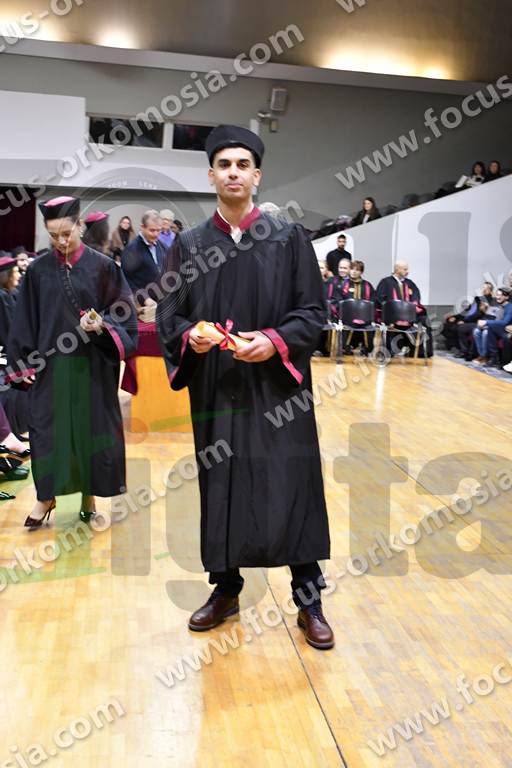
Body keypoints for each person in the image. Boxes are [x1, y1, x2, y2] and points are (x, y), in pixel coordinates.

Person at [157, 124, 333, 650]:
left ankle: (309, 598)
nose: (233, 173)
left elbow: (313, 312)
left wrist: (275, 341)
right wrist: (191, 335)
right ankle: (226, 588)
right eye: (224, 165)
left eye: (242, 165)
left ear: (256, 175)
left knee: (291, 482)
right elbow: (170, 315)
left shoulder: (288, 238)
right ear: (211, 175)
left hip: (278, 389)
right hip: (218, 386)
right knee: (222, 483)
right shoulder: (189, 245)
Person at [7, 196, 138, 528]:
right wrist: (23, 363)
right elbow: (24, 320)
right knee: (46, 432)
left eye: (67, 233)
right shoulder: (37, 271)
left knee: (89, 432)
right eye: (53, 235)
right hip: (51, 367)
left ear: (80, 226)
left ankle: (88, 497)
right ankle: (45, 497)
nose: (61, 241)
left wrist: (102, 324)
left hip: (92, 367)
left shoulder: (104, 267)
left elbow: (123, 312)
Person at [376, 261, 433, 357]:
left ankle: (422, 352)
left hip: (409, 317)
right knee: (386, 320)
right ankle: (390, 350)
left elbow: (416, 297)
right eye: (405, 269)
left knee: (424, 320)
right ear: (397, 269)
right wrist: (395, 310)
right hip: (392, 317)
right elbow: (381, 300)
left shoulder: (410, 283)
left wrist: (411, 308)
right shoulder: (385, 282)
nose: (407, 271)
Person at [0, 253, 29, 437]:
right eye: (16, 271)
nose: (19, 275)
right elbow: (8, 330)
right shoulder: (3, 297)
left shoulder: (8, 294)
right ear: (6, 275)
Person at [121, 210, 166, 305]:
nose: (156, 234)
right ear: (142, 227)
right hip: (143, 304)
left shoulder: (163, 247)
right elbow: (126, 280)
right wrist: (144, 298)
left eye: (159, 230)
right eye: (152, 230)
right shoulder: (131, 250)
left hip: (162, 301)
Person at [474, 287, 512, 367]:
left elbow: (505, 322)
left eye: (500, 295)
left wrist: (487, 322)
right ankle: (489, 357)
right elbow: (493, 318)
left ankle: (492, 358)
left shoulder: (510, 307)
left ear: (506, 297)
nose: (497, 297)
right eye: (497, 295)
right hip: (499, 328)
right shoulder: (498, 305)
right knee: (479, 330)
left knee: (489, 329)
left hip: (507, 330)